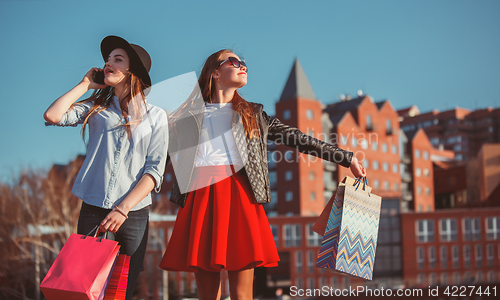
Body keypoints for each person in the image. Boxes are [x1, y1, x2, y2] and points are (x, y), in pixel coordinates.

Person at [159, 49, 366, 300]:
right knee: (206, 294)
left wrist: (346, 157)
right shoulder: (186, 117)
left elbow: (298, 139)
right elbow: (153, 157)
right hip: (200, 199)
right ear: (214, 73)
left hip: (240, 197)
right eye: (233, 62)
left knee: (242, 293)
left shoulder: (254, 114)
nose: (242, 65)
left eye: (244, 62)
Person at [43, 36, 168, 299]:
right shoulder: (96, 108)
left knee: (120, 290)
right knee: (84, 286)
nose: (108, 64)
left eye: (117, 60)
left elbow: (155, 171)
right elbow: (53, 116)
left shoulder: (156, 116)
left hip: (133, 213)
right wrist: (85, 84)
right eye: (108, 59)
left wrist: (123, 209)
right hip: (93, 207)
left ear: (132, 71)